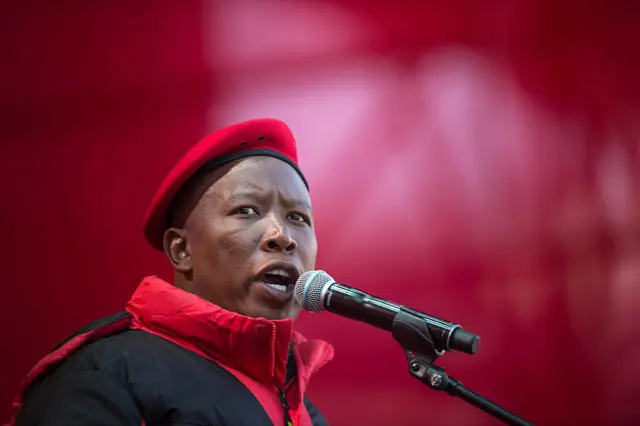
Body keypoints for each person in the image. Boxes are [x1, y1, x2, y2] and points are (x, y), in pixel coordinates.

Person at [7, 118, 335, 426]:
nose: (282, 236)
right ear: (181, 250)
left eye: (298, 217)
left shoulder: (305, 410)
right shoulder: (105, 374)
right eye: (246, 210)